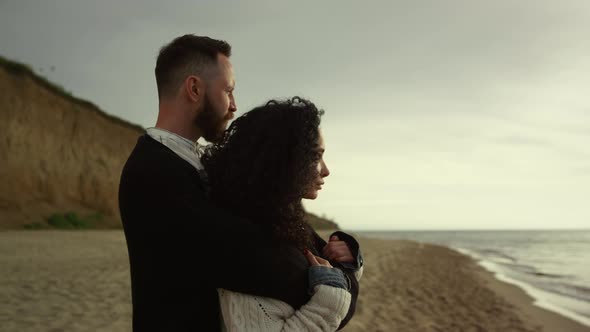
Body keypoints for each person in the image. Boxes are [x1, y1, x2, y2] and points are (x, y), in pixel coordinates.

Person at [118, 35, 363, 331]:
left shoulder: (193, 166)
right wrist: (342, 279)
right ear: (194, 88)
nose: (234, 106)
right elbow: (285, 271)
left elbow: (296, 245)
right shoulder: (154, 174)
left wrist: (346, 258)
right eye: (228, 91)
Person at [202, 97, 364, 331]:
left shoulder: (281, 220)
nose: (326, 171)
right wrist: (331, 300)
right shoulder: (247, 246)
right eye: (316, 156)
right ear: (284, 159)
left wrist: (347, 262)